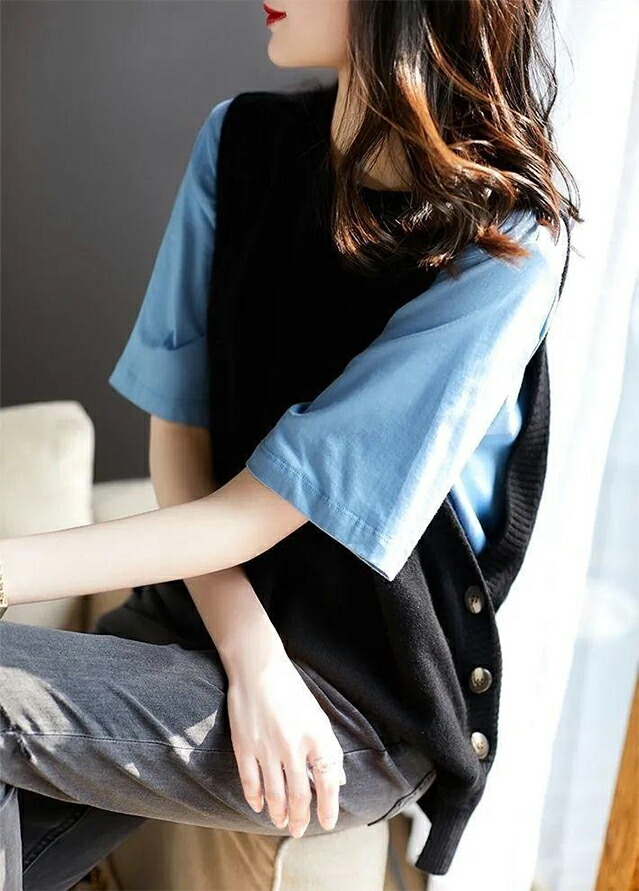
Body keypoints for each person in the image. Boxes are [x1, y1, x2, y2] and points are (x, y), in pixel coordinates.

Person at [0, 0, 581, 887]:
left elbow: (258, 509)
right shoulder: (238, 145)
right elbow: (181, 439)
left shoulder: (505, 247)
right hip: (196, 618)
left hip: (354, 691)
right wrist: (248, 649)